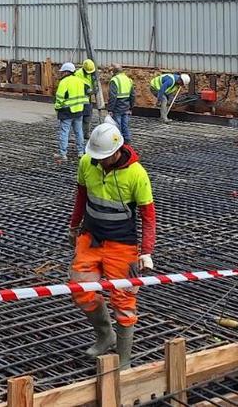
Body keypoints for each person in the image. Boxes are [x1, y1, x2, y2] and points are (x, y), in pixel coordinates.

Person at [67, 121, 156, 369]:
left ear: (117, 151)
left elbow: (148, 215)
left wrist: (147, 251)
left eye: (105, 157)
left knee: (124, 301)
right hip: (91, 238)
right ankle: (105, 335)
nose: (101, 162)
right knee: (80, 288)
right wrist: (73, 227)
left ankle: (124, 360)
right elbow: (81, 197)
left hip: (122, 245)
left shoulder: (137, 173)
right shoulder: (87, 162)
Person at [54, 62, 88, 162]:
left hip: (66, 112)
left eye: (62, 72)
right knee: (79, 132)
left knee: (64, 132)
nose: (61, 74)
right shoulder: (80, 81)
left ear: (66, 72)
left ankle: (63, 154)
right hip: (79, 110)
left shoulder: (64, 82)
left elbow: (59, 97)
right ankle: (81, 152)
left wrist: (57, 108)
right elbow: (87, 92)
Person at [107, 64, 134, 142]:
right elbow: (132, 95)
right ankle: (127, 142)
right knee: (125, 126)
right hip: (126, 107)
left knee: (117, 128)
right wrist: (131, 107)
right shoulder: (128, 79)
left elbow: (113, 97)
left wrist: (110, 109)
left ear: (114, 71)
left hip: (117, 108)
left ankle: (119, 143)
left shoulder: (114, 80)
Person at [75, 58, 98, 132]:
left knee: (87, 116)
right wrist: (92, 91)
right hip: (79, 99)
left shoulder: (91, 74)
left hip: (87, 99)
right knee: (79, 117)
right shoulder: (78, 74)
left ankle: (86, 133)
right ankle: (80, 133)